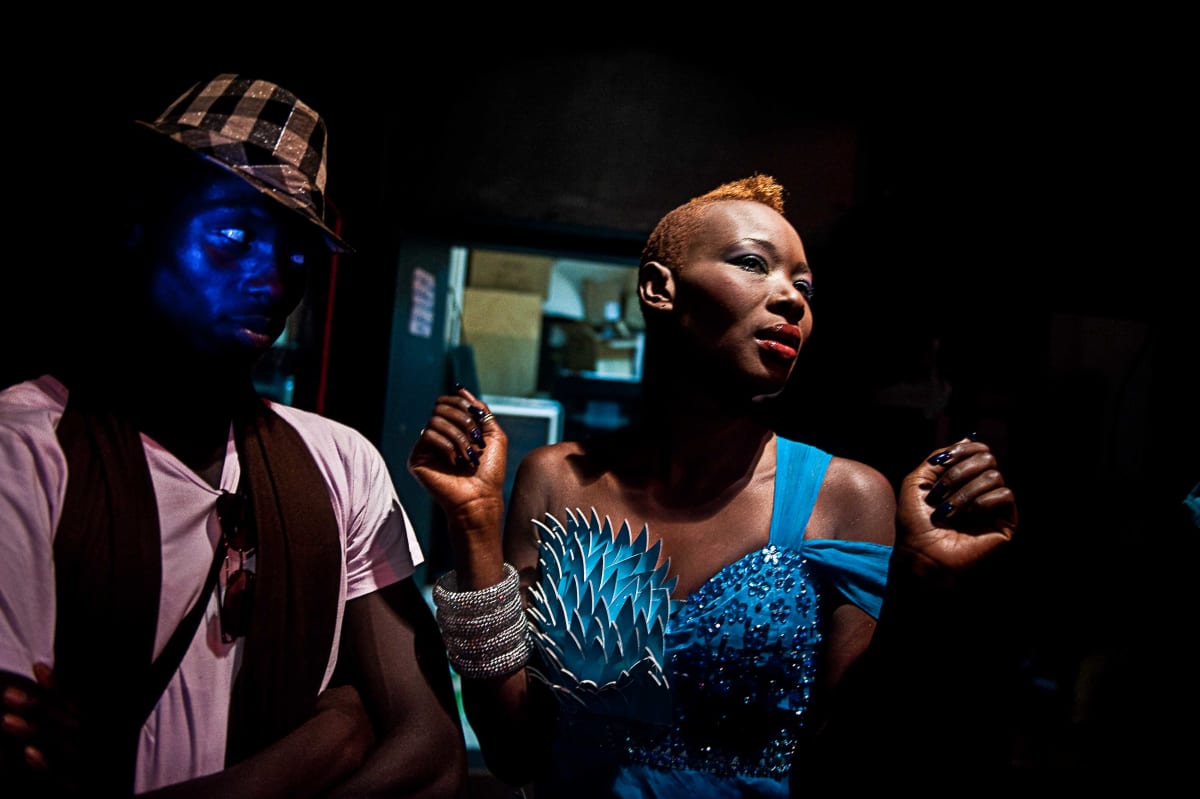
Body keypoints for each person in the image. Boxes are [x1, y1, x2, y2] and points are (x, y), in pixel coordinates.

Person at [408, 174, 1021, 797]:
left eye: (804, 287)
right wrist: (474, 523)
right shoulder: (555, 480)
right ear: (658, 288)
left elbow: (849, 758)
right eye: (754, 264)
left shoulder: (847, 498)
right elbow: (513, 751)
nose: (791, 299)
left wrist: (921, 591)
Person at [0, 74, 466, 797]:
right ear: (141, 220)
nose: (273, 275)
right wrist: (334, 736)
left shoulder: (338, 462)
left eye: (297, 251)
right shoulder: (27, 447)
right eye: (233, 232)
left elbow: (433, 757)